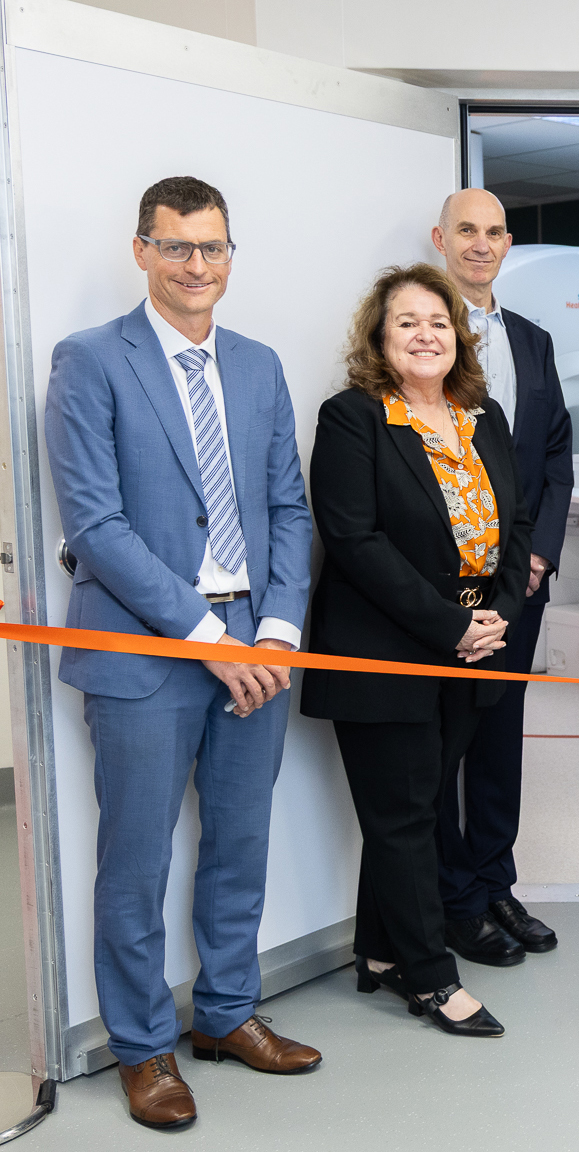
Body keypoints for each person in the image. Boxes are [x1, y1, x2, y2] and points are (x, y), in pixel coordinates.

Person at [44, 176, 320, 1129]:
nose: (196, 265)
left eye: (211, 248)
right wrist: (210, 640)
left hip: (258, 644)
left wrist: (275, 630)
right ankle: (143, 1048)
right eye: (176, 247)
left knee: (240, 841)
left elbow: (287, 507)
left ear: (230, 256)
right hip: (143, 654)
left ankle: (229, 1014)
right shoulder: (90, 359)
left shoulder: (258, 364)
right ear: (142, 251)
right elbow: (96, 525)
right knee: (136, 861)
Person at [300, 263, 533, 1038]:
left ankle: (379, 952)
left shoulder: (483, 416)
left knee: (418, 805)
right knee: (403, 815)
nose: (425, 335)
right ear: (379, 337)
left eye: (438, 322)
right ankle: (432, 977)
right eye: (407, 322)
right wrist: (448, 624)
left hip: (472, 647)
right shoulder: (354, 417)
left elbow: (516, 523)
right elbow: (354, 540)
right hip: (386, 649)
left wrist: (499, 614)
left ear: (457, 336)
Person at [429, 188, 573, 965]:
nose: (480, 244)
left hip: (520, 579)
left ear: (507, 243)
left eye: (492, 232)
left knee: (500, 734)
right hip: (445, 582)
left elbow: (555, 454)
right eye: (466, 231)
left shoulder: (533, 341)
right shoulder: (419, 334)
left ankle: (494, 883)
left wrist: (539, 555)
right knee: (441, 742)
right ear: (440, 239)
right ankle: (454, 897)